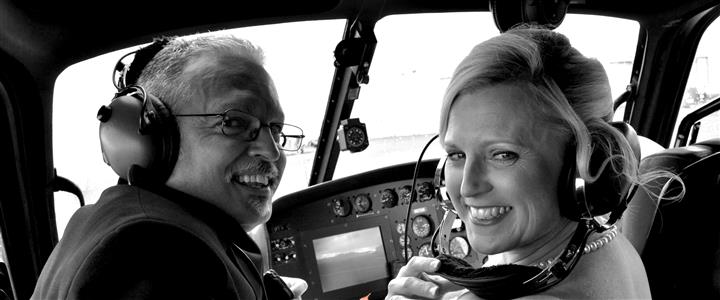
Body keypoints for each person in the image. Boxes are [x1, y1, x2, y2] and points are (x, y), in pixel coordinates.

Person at [386, 26, 681, 299]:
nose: (467, 187)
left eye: (503, 154)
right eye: (456, 155)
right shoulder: (607, 245)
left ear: (584, 166)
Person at [32, 35, 307, 299]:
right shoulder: (152, 255)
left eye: (276, 129)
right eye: (234, 122)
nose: (272, 152)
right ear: (151, 135)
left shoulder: (108, 222)